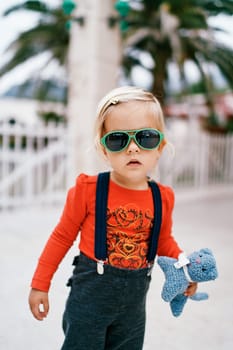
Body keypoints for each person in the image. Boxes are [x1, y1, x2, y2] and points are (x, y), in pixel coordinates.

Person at [28, 86, 197, 350]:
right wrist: (40, 284)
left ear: (160, 147)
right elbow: (61, 237)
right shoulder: (88, 190)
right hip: (89, 300)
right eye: (118, 140)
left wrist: (184, 268)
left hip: (133, 307)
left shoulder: (162, 197)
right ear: (104, 149)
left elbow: (164, 241)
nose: (132, 148)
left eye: (146, 138)